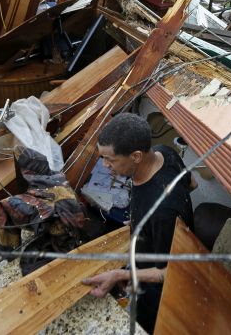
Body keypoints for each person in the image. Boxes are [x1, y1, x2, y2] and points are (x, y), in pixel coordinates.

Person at [82, 112, 194, 333]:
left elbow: (168, 272)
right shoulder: (164, 153)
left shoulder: (163, 212)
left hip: (157, 287)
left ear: (135, 156)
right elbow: (192, 183)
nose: (105, 166)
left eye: (110, 159)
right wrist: (140, 219)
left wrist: (120, 275)